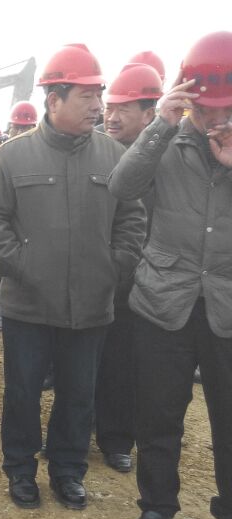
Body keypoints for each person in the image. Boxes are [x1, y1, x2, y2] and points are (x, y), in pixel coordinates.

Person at [0, 44, 146, 511]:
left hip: (91, 303)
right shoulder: (12, 156)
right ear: (54, 100)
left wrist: (113, 267)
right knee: (22, 393)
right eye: (87, 96)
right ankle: (20, 470)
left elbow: (132, 219)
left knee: (78, 394)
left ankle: (68, 471)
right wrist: (23, 265)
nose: (99, 106)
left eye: (99, 95)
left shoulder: (114, 155)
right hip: (28, 304)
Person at [109, 32, 232, 519]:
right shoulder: (168, 139)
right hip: (163, 302)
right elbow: (122, 186)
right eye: (206, 108)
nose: (216, 118)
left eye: (226, 108)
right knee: (159, 414)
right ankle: (157, 506)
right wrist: (161, 122)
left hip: (226, 307)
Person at [93, 63, 162, 473]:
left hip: (144, 279)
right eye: (109, 107)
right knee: (85, 359)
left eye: (124, 109)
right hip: (100, 272)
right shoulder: (95, 149)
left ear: (149, 114)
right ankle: (75, 429)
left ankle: (117, 438)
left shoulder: (166, 156)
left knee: (124, 362)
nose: (112, 116)